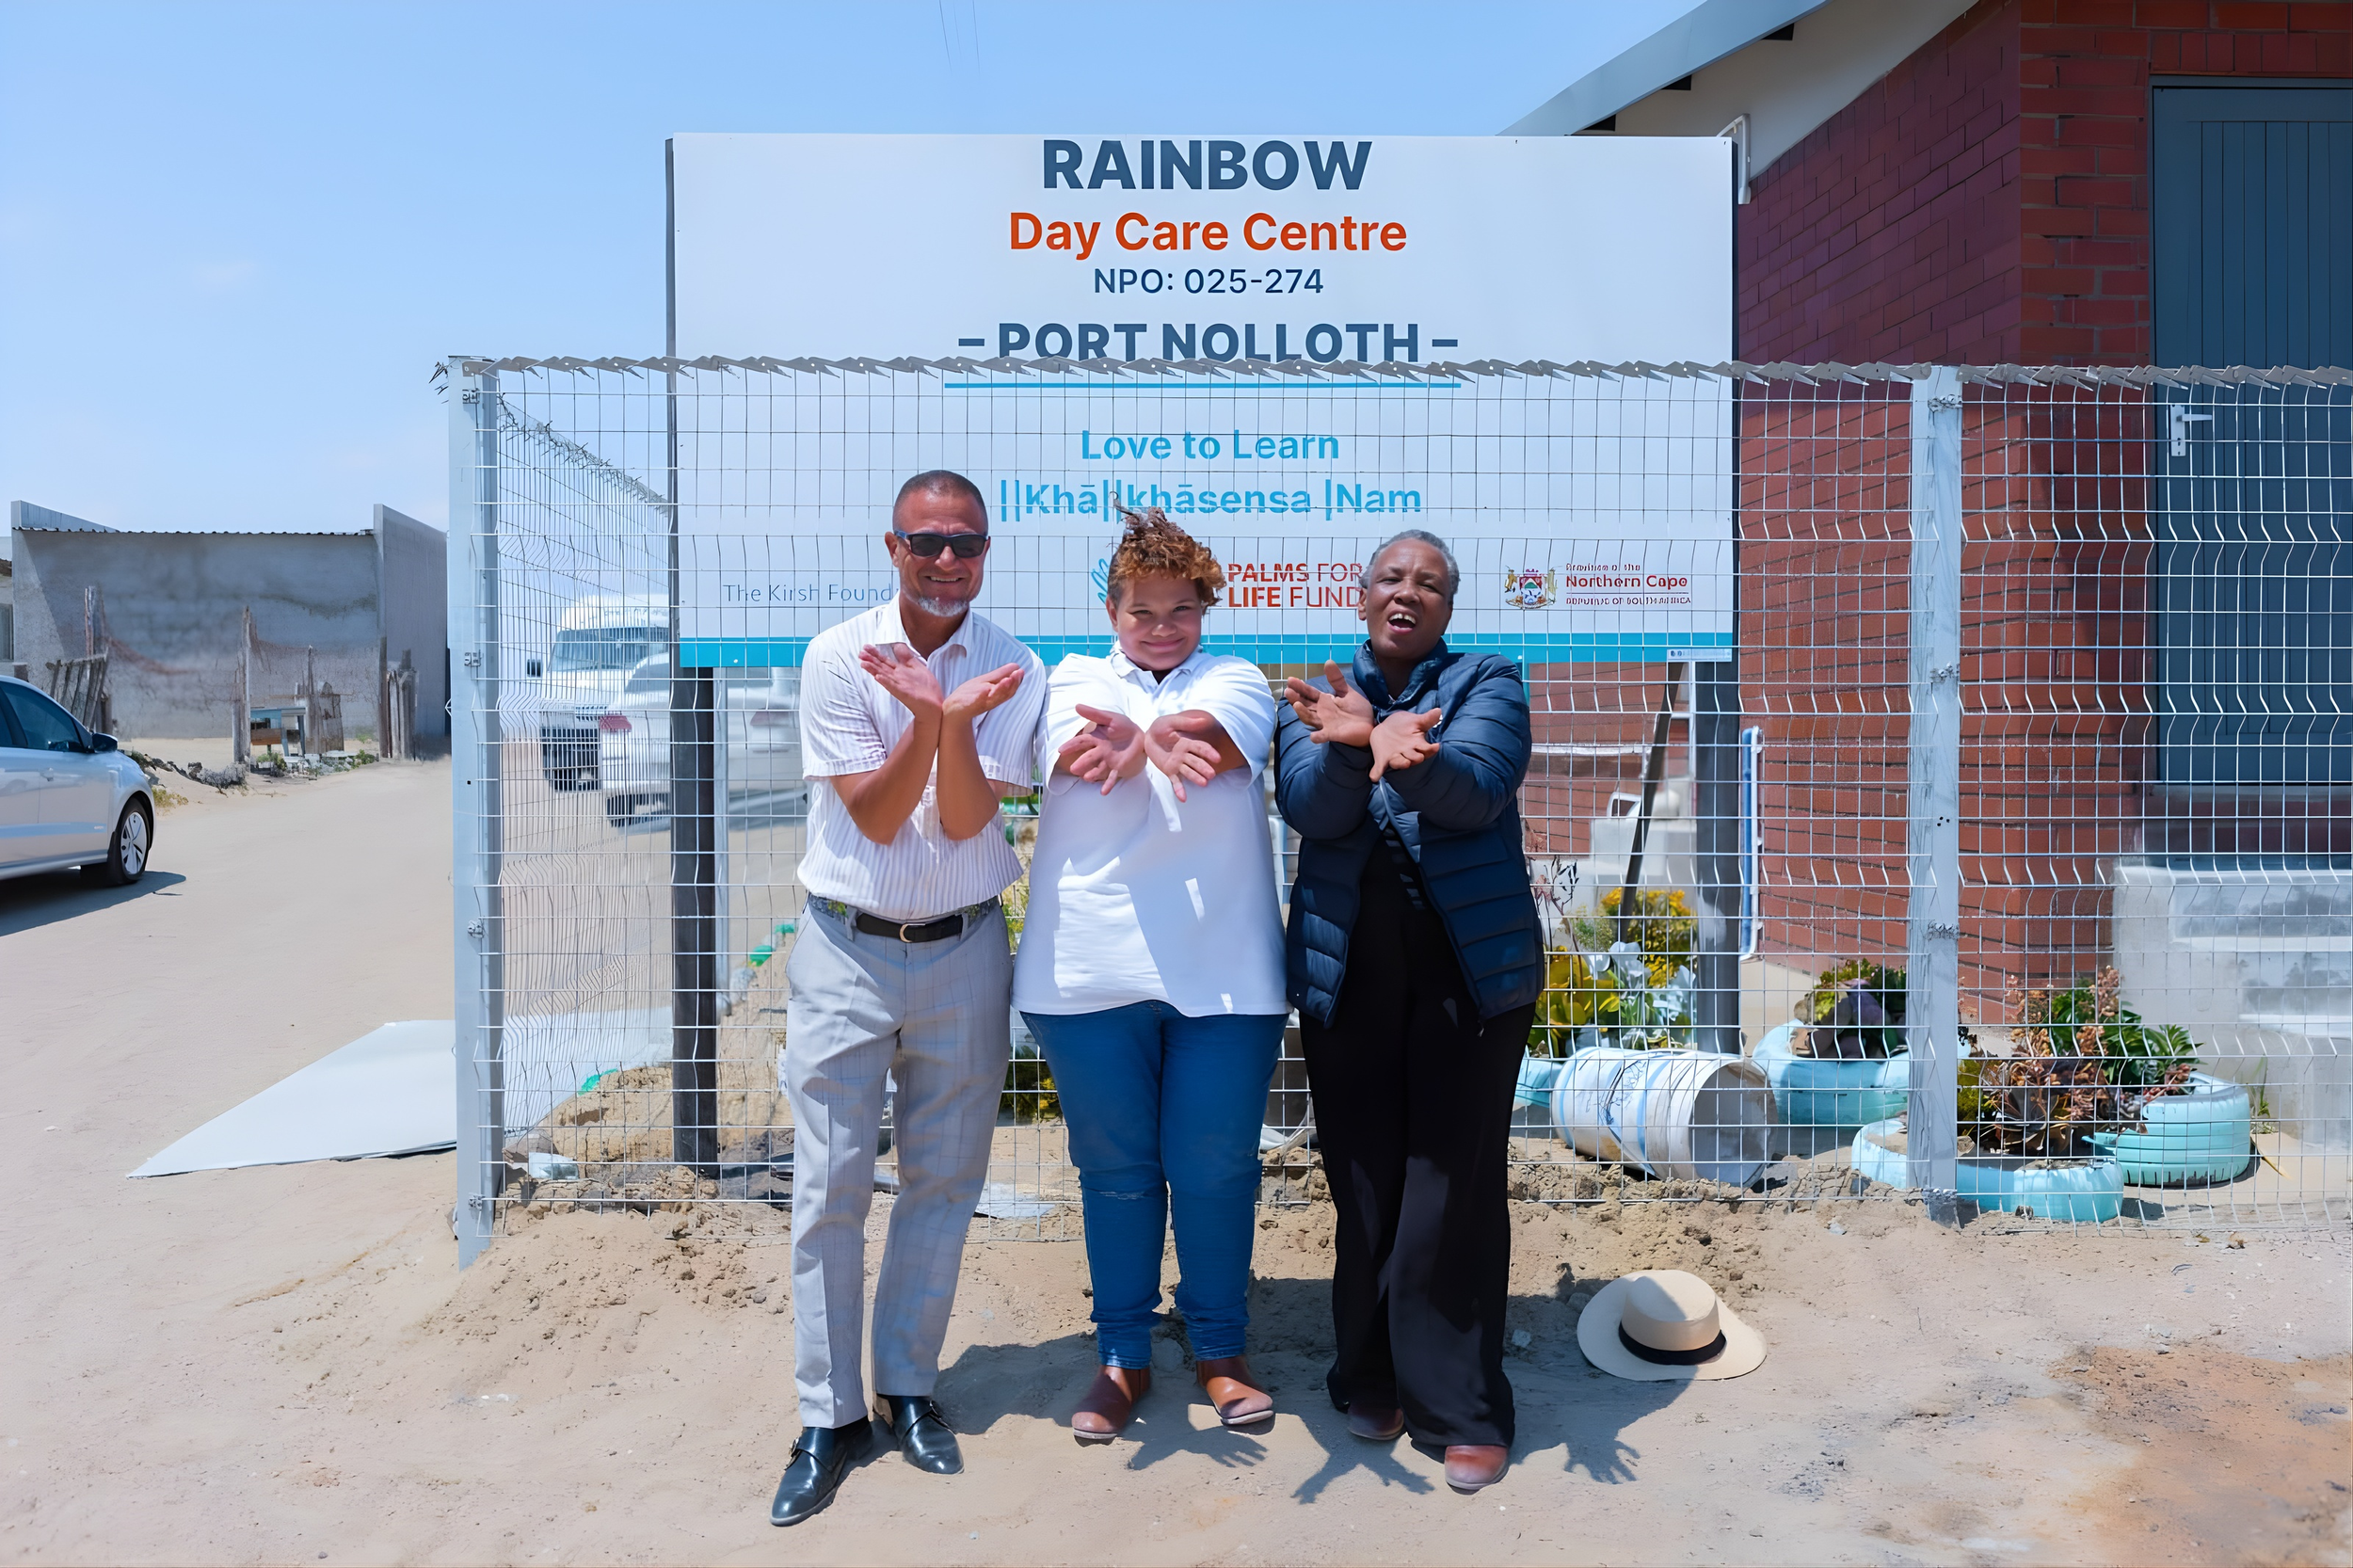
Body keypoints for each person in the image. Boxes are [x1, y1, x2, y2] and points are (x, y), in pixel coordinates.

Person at [771, 470, 1047, 1528]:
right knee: (829, 1185)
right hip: (846, 949)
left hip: (965, 948)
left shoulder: (1013, 664)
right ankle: (828, 1414)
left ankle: (910, 1386)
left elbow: (973, 818)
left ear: (985, 551)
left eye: (965, 543)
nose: (945, 561)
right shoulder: (841, 656)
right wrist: (927, 718)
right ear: (891, 547)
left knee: (942, 1181)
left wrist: (948, 723)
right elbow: (880, 821)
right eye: (925, 543)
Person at [1274, 528, 1544, 1496]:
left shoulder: (1488, 683)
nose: (1408, 592)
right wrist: (1352, 743)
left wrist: (1399, 747)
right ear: (1360, 597)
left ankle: (1462, 1404)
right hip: (1347, 974)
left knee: (1449, 1183)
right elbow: (1311, 808)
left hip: (1467, 976)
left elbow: (1474, 792)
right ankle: (1369, 1371)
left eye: (1428, 583)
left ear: (1447, 606)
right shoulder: (1313, 699)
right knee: (1366, 1186)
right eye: (1391, 576)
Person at [1014, 507, 1287, 1443]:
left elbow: (1211, 734)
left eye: (1180, 608)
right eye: (1141, 609)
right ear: (1110, 608)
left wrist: (1152, 737)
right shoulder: (1072, 677)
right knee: (1116, 1173)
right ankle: (1123, 1357)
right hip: (1086, 971)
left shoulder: (1238, 680)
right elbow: (1079, 747)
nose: (1160, 626)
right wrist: (1139, 742)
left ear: (1206, 609)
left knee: (1215, 1170)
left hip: (1225, 976)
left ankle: (1218, 1350)